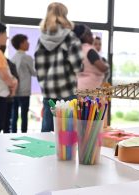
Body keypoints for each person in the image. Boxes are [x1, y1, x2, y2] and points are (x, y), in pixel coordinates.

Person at [35, 2, 82, 132]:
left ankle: (44, 151)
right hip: (67, 89)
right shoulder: (70, 37)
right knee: (69, 128)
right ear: (64, 15)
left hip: (48, 89)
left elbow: (38, 67)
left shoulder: (41, 39)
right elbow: (77, 66)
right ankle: (66, 153)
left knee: (47, 126)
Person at [10, 34, 36, 133]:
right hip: (24, 91)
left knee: (14, 115)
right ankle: (24, 135)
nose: (28, 43)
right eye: (26, 41)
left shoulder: (13, 57)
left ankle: (13, 135)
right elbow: (34, 73)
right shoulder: (27, 57)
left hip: (14, 90)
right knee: (24, 116)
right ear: (21, 44)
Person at [73, 24, 108, 90]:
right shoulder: (90, 51)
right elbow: (103, 68)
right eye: (91, 35)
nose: (92, 37)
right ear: (86, 37)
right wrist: (106, 66)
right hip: (90, 87)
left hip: (80, 84)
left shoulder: (79, 49)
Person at [0, 45, 19, 133]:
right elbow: (16, 79)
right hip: (9, 97)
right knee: (7, 124)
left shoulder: (0, 64)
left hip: (0, 96)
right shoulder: (10, 63)